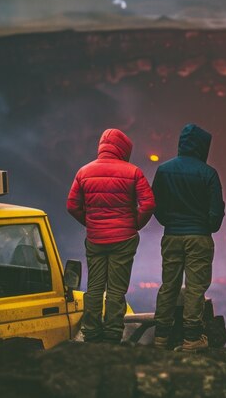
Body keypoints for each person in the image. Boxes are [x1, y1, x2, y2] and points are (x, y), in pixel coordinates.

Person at [66, 128, 155, 344]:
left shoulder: (83, 172)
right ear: (124, 149)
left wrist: (91, 223)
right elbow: (149, 204)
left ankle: (91, 331)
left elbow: (71, 205)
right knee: (116, 288)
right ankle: (113, 332)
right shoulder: (133, 172)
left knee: (95, 286)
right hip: (124, 239)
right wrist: (134, 226)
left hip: (96, 238)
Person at [152, 123, 225, 351]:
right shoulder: (208, 173)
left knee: (168, 285)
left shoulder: (164, 170)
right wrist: (207, 226)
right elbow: (215, 213)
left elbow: (156, 204)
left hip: (172, 235)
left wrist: (170, 223)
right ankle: (192, 338)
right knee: (195, 287)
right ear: (203, 147)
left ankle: (161, 337)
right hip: (199, 237)